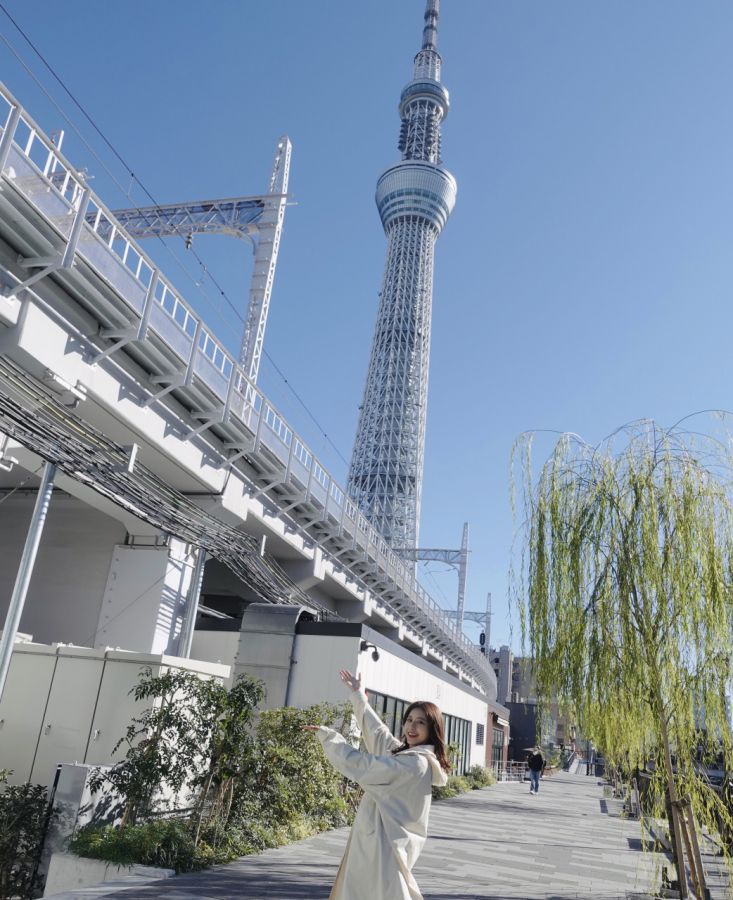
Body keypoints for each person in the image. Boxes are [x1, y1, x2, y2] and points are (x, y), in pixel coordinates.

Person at [304, 669, 450, 900]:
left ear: (432, 729)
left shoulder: (415, 765)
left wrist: (332, 740)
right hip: (378, 844)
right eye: (409, 720)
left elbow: (365, 766)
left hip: (383, 848)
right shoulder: (408, 756)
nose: (412, 727)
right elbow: (379, 734)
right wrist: (358, 695)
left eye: (421, 722)